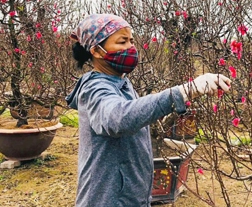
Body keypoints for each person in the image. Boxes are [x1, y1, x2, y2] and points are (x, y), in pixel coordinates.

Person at [66, 14, 231, 207]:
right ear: (97, 51)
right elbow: (118, 118)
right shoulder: (94, 89)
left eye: (131, 41)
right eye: (122, 42)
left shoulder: (121, 82)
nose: (131, 48)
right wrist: (183, 92)